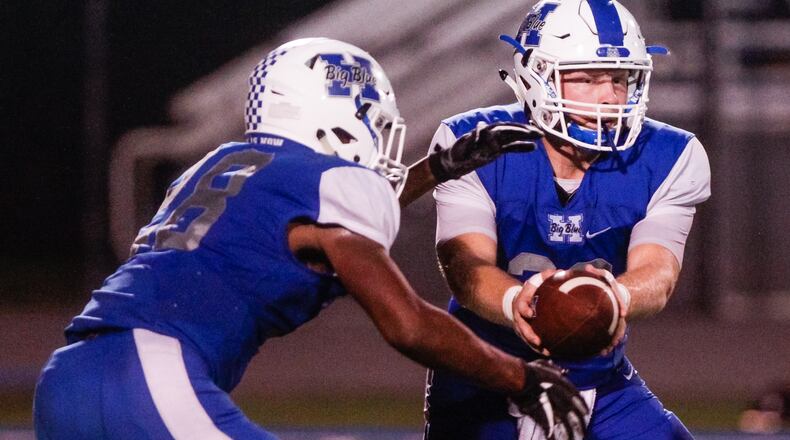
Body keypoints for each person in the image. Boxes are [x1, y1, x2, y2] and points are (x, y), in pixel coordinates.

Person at [33, 38, 588, 440]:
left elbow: (312, 225)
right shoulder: (329, 184)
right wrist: (519, 377)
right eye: (373, 121)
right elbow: (408, 324)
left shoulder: (224, 165)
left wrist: (435, 170)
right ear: (336, 117)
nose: (379, 140)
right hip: (151, 374)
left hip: (68, 380)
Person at [423, 1, 712, 439]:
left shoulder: (669, 155)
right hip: (483, 370)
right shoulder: (474, 144)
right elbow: (466, 268)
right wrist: (517, 303)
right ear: (535, 75)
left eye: (619, 78)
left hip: (598, 376)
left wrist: (610, 300)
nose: (609, 96)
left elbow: (658, 273)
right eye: (588, 78)